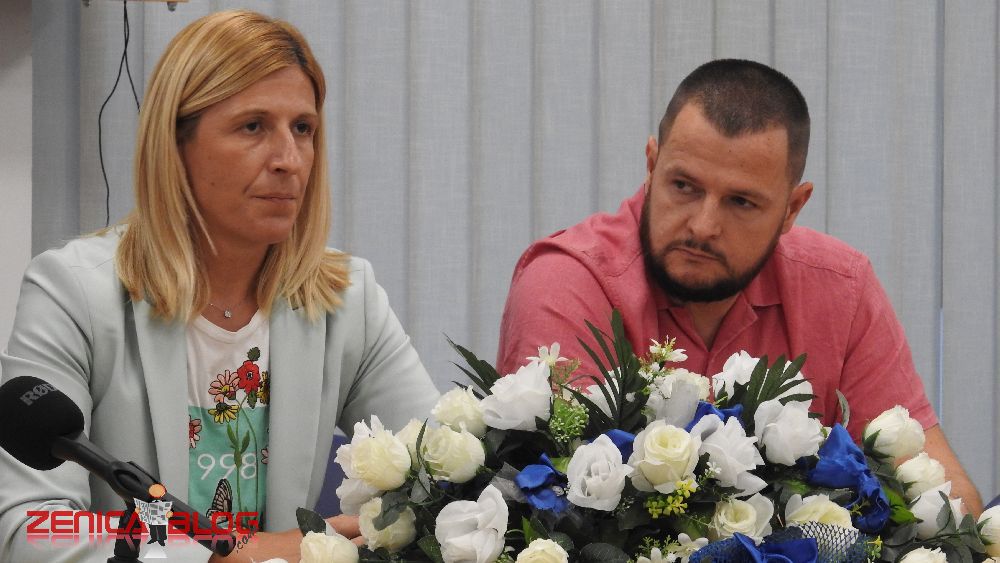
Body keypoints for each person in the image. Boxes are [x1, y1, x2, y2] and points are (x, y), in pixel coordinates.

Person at [0, 10, 440, 562]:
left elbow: (445, 477)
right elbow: (33, 527)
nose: (289, 160)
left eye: (303, 129)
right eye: (253, 126)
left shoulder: (346, 299)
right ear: (175, 143)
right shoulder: (72, 293)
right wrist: (223, 554)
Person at [497, 59, 983, 515]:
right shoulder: (568, 281)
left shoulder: (840, 289)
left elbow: (946, 500)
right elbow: (571, 515)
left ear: (792, 208)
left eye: (741, 202)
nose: (703, 226)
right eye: (683, 186)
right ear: (651, 165)